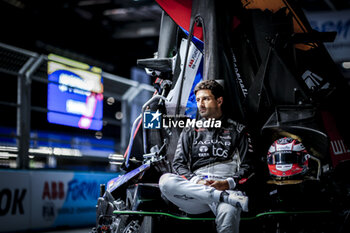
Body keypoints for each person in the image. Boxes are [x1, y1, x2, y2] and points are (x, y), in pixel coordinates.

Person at [159, 80, 253, 233]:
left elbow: (248, 167)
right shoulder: (190, 130)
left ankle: (224, 197)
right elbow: (178, 165)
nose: (200, 104)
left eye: (206, 99)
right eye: (198, 100)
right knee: (165, 181)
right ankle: (222, 197)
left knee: (228, 215)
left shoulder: (238, 130)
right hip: (197, 191)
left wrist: (226, 183)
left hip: (227, 188)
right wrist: (198, 181)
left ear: (219, 100)